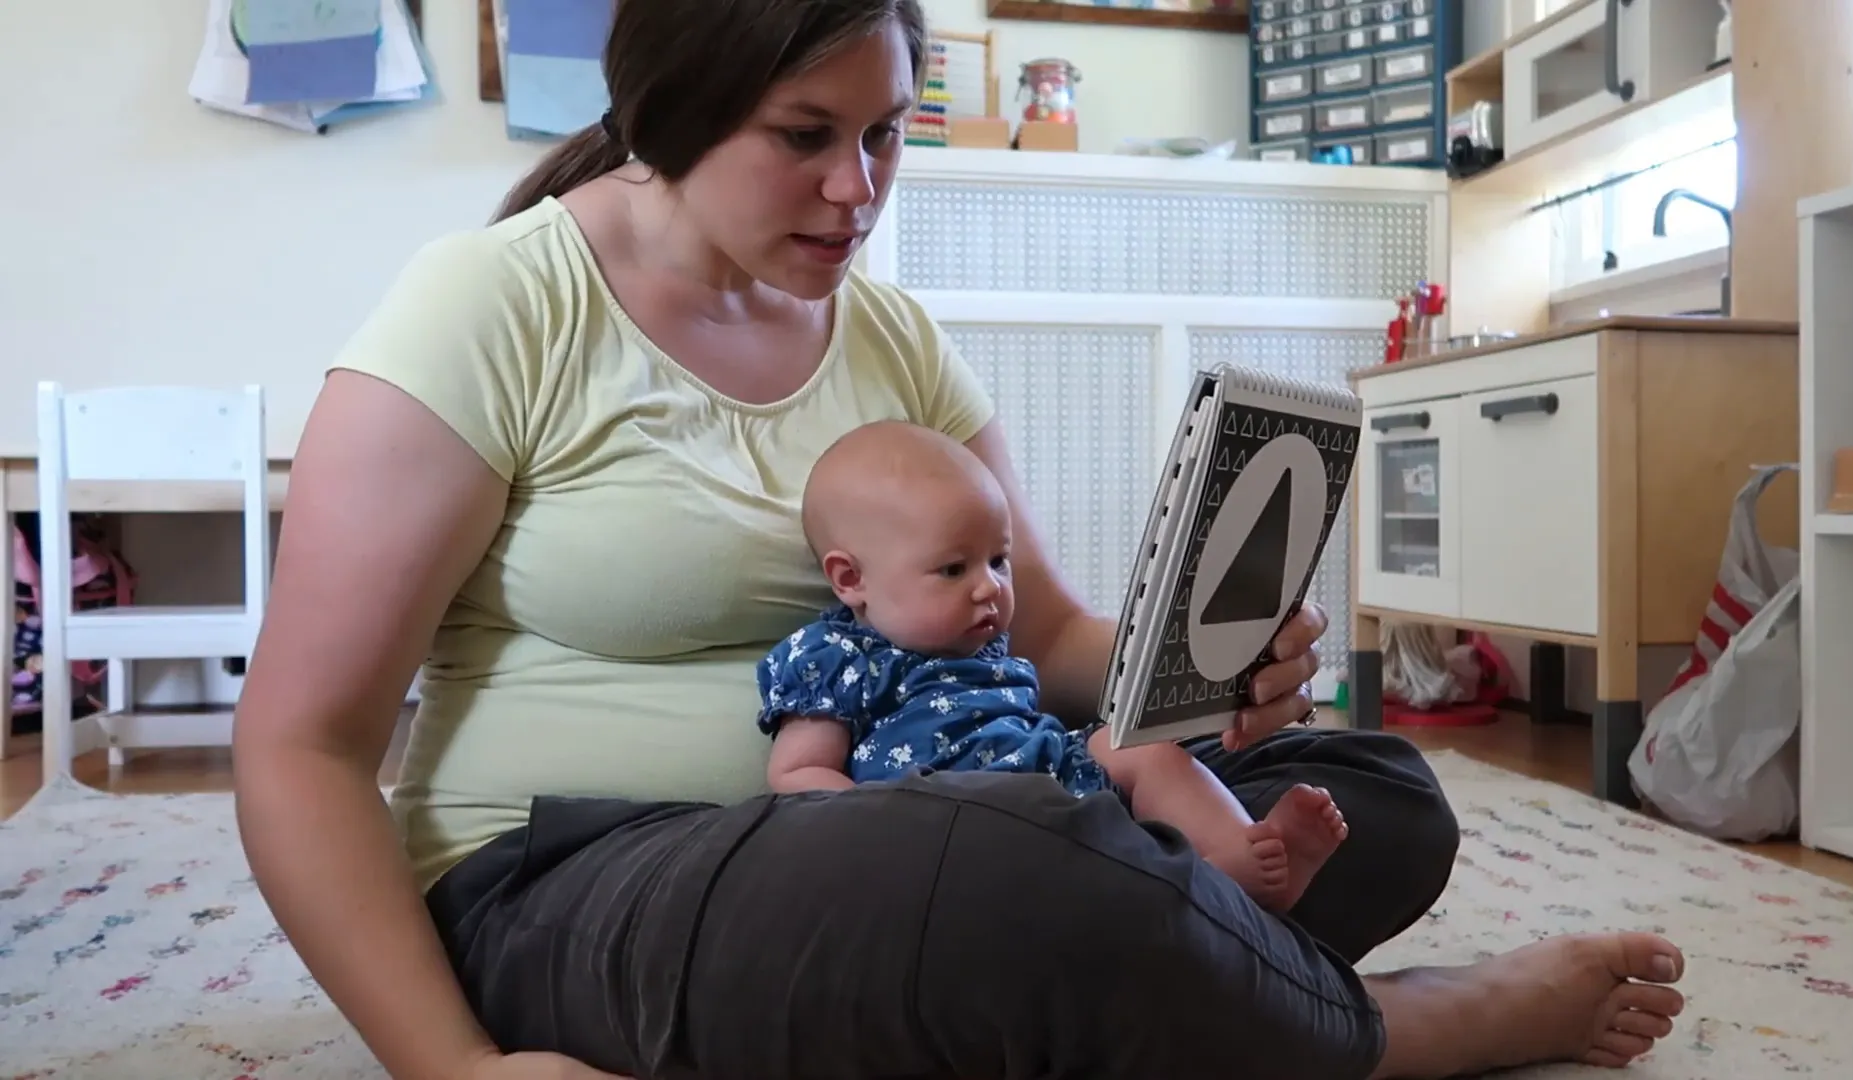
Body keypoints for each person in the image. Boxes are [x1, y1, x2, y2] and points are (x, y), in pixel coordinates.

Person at [230, 0, 1689, 1078]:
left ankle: (1106, 979)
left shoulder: (892, 335)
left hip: (934, 827)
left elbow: (1045, 636)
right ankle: (1400, 1035)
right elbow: (299, 746)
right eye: (805, 138)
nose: (858, 190)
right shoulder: (493, 303)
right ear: (672, 109)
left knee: (1373, 789)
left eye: (883, 136)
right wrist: (454, 1071)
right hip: (577, 884)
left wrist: (1207, 676)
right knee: (1008, 864)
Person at [762, 419, 1349, 914]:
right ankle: (1178, 891)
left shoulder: (982, 646)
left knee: (1137, 747)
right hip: (944, 819)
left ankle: (1238, 857)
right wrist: (881, 828)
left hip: (1050, 778)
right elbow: (796, 773)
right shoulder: (836, 659)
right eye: (952, 569)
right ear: (851, 579)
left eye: (998, 560)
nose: (988, 587)